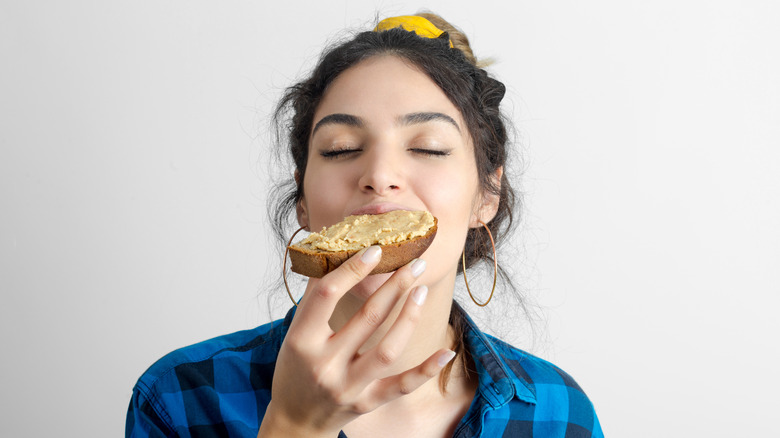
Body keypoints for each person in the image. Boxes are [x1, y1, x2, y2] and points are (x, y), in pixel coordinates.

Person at [126, 13, 603, 438]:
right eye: (340, 149)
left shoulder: (559, 414)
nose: (378, 176)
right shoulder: (180, 399)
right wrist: (293, 426)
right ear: (303, 202)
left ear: (487, 196)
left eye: (429, 147)